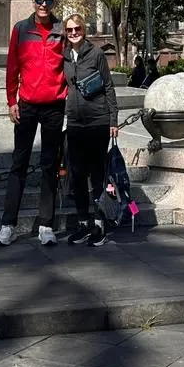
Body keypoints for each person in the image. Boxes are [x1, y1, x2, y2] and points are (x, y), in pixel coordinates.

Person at [0, 0, 67, 247]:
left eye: (47, 1)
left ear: (53, 3)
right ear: (33, 1)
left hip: (54, 106)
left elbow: (70, 63)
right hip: (27, 104)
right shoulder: (21, 29)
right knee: (19, 163)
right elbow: (12, 65)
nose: (43, 5)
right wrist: (11, 99)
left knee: (49, 165)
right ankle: (7, 225)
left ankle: (46, 224)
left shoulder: (62, 31)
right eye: (39, 0)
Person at [63, 14, 119, 247]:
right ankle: (84, 222)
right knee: (76, 174)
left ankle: (100, 223)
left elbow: (108, 86)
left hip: (97, 120)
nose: (73, 33)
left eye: (77, 29)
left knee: (97, 174)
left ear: (83, 31)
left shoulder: (95, 54)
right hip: (75, 122)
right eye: (69, 30)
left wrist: (113, 119)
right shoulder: (64, 56)